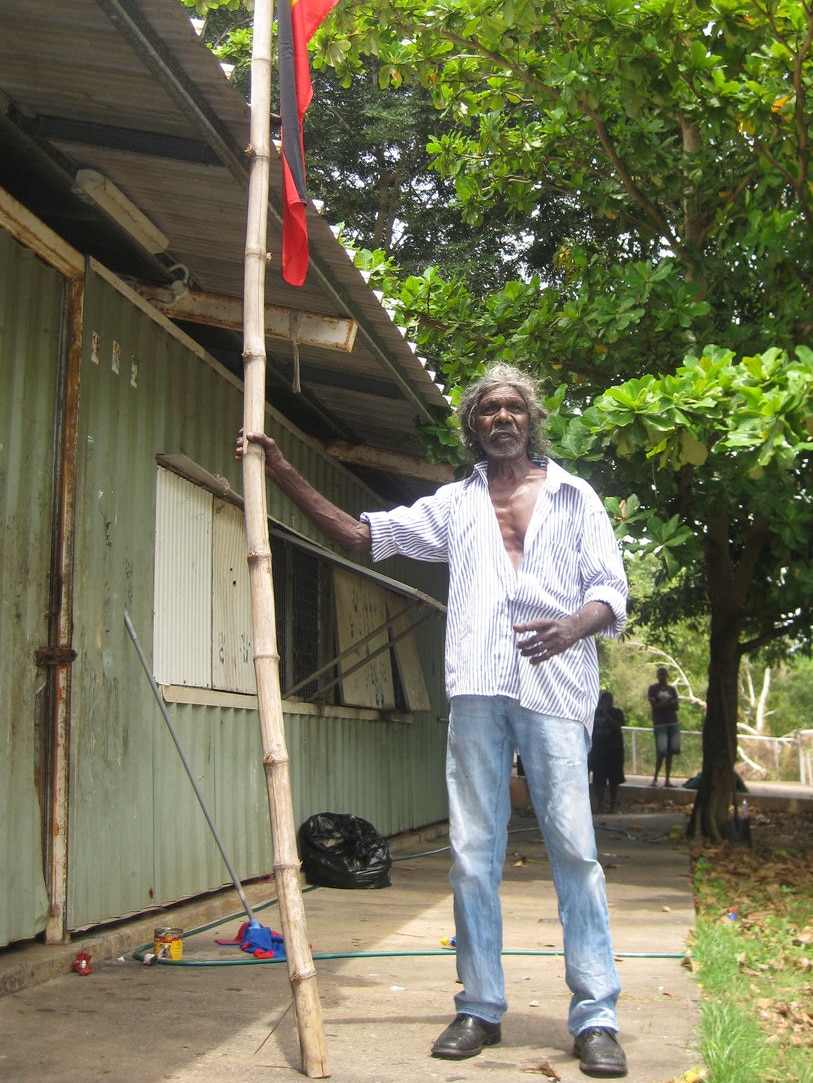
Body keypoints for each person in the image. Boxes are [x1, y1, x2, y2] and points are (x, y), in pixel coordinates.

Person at [236, 362, 629, 1078]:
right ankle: (479, 1005)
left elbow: (609, 589)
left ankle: (595, 1016)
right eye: (488, 410)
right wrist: (284, 470)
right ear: (473, 426)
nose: (502, 417)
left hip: (556, 690)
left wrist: (571, 625)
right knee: (473, 851)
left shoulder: (576, 498)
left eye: (513, 406)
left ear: (529, 419)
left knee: (573, 851)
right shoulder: (452, 505)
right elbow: (360, 536)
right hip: (478, 688)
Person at [590, 691, 626, 814]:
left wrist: (607, 714)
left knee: (614, 780)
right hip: (598, 750)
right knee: (599, 779)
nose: (608, 702)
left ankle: (612, 805)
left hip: (614, 750)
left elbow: (618, 726)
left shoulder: (617, 712)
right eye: (605, 699)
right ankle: (599, 804)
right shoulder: (594, 713)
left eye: (610, 699)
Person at [647, 667, 680, 787]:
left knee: (670, 753)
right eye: (659, 674)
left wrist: (670, 704)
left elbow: (676, 706)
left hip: (672, 722)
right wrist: (668, 703)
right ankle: (655, 778)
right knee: (661, 752)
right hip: (660, 724)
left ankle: (667, 780)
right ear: (657, 676)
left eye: (664, 674)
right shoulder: (653, 689)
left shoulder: (672, 689)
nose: (662, 677)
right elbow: (654, 706)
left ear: (667, 676)